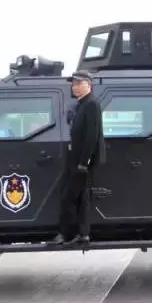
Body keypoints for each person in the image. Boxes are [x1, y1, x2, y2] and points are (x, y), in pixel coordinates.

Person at [49, 71, 105, 245]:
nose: (74, 87)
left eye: (78, 83)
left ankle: (64, 234)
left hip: (83, 161)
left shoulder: (91, 104)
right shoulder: (81, 105)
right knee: (82, 197)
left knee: (68, 197)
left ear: (88, 85)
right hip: (77, 159)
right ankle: (83, 234)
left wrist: (84, 162)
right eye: (73, 84)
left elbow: (92, 135)